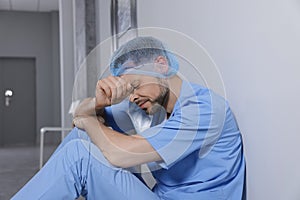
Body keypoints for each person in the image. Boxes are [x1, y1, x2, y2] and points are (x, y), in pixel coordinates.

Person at [12, 36, 246, 200]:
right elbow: (79, 118)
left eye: (134, 85)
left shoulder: (204, 108)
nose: (131, 97)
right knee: (80, 138)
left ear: (161, 65)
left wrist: (90, 120)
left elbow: (119, 154)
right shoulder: (151, 107)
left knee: (79, 155)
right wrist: (99, 103)